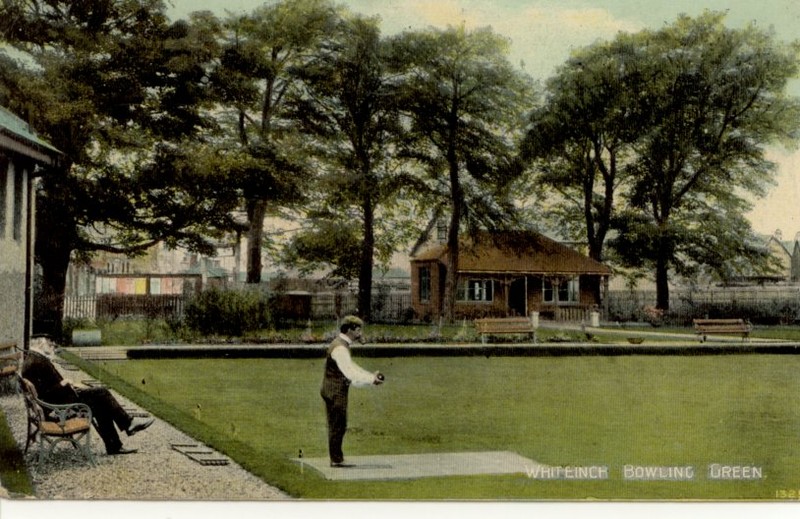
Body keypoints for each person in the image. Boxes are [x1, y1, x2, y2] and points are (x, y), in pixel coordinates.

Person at [22, 337, 154, 455]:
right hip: (60, 409)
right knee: (102, 393)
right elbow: (46, 394)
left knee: (101, 402)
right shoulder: (37, 362)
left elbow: (43, 391)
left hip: (60, 402)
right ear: (39, 343)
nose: (52, 346)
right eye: (48, 343)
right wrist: (64, 384)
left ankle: (116, 443)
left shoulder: (33, 358)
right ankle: (127, 425)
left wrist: (67, 386)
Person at [320, 315, 383, 467]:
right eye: (358, 330)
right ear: (349, 330)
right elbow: (350, 373)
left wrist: (370, 377)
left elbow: (352, 366)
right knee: (338, 424)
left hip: (332, 389)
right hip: (335, 391)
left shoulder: (341, 344)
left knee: (338, 424)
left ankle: (336, 458)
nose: (360, 333)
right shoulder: (340, 348)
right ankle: (336, 459)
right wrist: (371, 380)